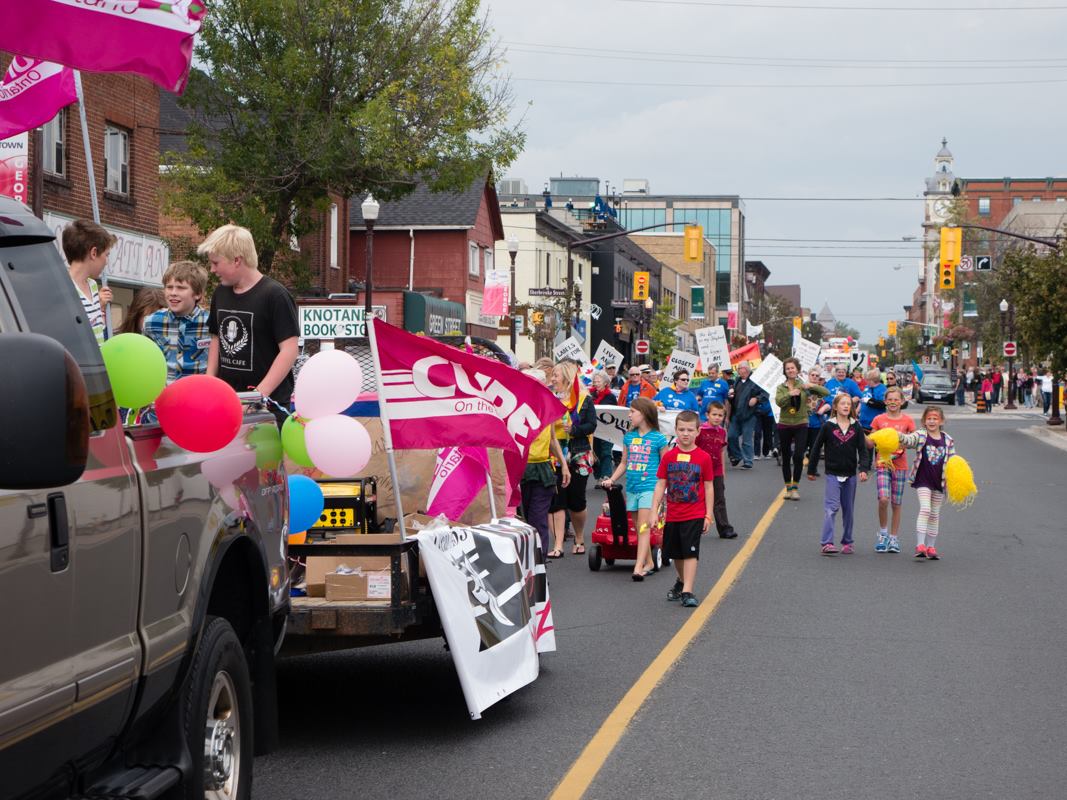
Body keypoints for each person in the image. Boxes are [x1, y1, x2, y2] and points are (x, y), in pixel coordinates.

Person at [200, 224, 299, 426]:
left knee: (265, 458)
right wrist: (210, 381)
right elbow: (216, 338)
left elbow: (289, 350)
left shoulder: (275, 295)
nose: (212, 270)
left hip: (267, 405)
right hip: (226, 400)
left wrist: (257, 396)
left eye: (216, 263)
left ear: (237, 260)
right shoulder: (220, 293)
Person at [601, 397, 669, 579]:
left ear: (645, 414)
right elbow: (624, 463)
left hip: (650, 487)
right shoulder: (629, 437)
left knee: (643, 527)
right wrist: (611, 479)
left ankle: (638, 567)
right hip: (632, 487)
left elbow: (665, 464)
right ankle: (649, 562)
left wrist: (664, 489)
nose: (629, 415)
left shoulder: (659, 438)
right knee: (639, 528)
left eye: (632, 412)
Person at [652, 410, 715, 608]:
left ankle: (688, 590)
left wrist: (708, 514)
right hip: (673, 514)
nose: (685, 434)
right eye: (681, 430)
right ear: (675, 431)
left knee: (690, 552)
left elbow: (709, 486)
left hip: (694, 514)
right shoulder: (669, 457)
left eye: (690, 430)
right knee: (675, 553)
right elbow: (661, 484)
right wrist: (654, 510)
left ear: (698, 431)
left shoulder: (703, 457)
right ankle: (681, 581)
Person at [807, 393, 871, 556]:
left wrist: (863, 469)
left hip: (850, 474)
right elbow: (816, 448)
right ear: (835, 407)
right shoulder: (828, 426)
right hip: (833, 474)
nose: (845, 406)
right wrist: (811, 469)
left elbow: (863, 451)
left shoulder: (856, 426)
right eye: (842, 403)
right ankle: (827, 542)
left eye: (848, 404)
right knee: (831, 508)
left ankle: (847, 541)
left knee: (848, 509)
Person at [548, 360, 597, 556]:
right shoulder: (550, 398)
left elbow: (591, 425)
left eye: (556, 376)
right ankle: (558, 545)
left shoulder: (584, 399)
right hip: (554, 452)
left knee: (577, 501)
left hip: (579, 452)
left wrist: (575, 429)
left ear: (567, 378)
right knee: (557, 500)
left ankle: (578, 536)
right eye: (552, 375)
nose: (552, 379)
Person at [520, 369, 570, 558]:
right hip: (519, 468)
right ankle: (526, 565)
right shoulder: (516, 404)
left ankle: (539, 566)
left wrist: (564, 465)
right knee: (522, 520)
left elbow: (550, 439)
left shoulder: (547, 404)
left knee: (538, 519)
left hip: (541, 468)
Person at [898, 406, 957, 560]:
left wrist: (953, 482)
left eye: (935, 418)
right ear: (924, 421)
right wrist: (896, 435)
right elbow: (908, 440)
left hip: (939, 482)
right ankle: (920, 545)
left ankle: (931, 547)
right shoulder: (921, 435)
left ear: (941, 421)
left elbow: (953, 462)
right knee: (925, 509)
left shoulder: (948, 440)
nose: (932, 421)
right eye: (929, 418)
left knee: (934, 514)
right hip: (923, 479)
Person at [142, 260, 211, 383]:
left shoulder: (210, 323)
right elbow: (146, 362)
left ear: (198, 294)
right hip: (164, 394)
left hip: (197, 394)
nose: (173, 293)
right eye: (169, 287)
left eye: (181, 288)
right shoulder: (151, 322)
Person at [870, 386, 916, 554]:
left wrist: (903, 443)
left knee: (896, 503)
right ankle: (883, 535)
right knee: (883, 499)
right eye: (890, 399)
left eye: (896, 399)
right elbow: (871, 440)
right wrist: (868, 439)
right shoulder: (878, 419)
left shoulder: (908, 421)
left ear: (902, 401)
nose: (893, 402)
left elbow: (914, 440)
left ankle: (894, 538)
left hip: (900, 465)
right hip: (883, 463)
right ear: (885, 401)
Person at [775, 357, 829, 501]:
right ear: (785, 371)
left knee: (798, 455)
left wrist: (810, 386)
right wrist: (789, 394)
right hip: (785, 424)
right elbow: (779, 402)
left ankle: (795, 487)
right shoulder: (781, 387)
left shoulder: (804, 385)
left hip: (801, 424)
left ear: (797, 369)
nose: (790, 370)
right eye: (788, 368)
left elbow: (826, 393)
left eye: (793, 368)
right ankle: (788, 487)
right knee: (786, 457)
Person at [62, 218, 116, 346]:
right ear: (94, 253)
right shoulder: (64, 288)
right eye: (106, 255)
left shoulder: (92, 286)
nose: (107, 261)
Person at [696, 401, 737, 539]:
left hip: (716, 470)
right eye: (714, 414)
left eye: (720, 415)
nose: (717, 418)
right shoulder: (700, 430)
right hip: (699, 470)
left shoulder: (722, 432)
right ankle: (695, 527)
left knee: (719, 499)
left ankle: (725, 528)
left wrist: (722, 471)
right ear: (707, 415)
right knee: (697, 499)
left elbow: (721, 452)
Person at [726, 361, 768, 470]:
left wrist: (756, 399)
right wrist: (731, 395)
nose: (739, 371)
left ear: (746, 369)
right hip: (736, 414)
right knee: (731, 436)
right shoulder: (737, 381)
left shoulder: (756, 380)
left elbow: (765, 394)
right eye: (738, 369)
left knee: (746, 439)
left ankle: (748, 461)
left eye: (740, 368)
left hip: (750, 414)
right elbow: (733, 396)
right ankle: (737, 456)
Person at [589, 371, 618, 481]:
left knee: (606, 452)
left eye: (598, 381)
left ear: (605, 382)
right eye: (594, 381)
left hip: (607, 429)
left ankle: (606, 476)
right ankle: (598, 476)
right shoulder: (590, 395)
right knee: (595, 452)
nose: (596, 383)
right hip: (594, 429)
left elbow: (614, 413)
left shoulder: (610, 397)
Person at [857, 367, 886, 433]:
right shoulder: (867, 387)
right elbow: (862, 400)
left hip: (874, 424)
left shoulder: (882, 389)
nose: (866, 382)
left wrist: (870, 401)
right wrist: (856, 411)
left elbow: (883, 404)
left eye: (867, 380)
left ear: (872, 380)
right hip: (863, 422)